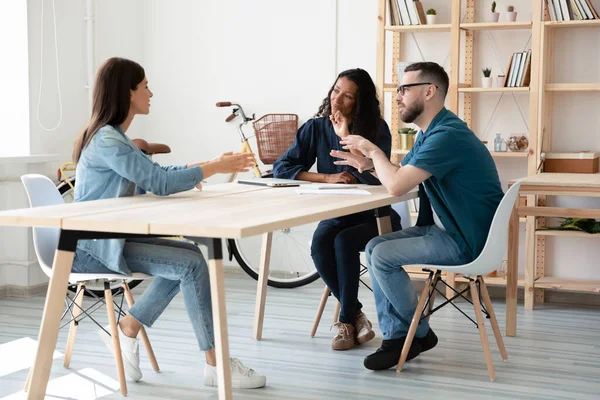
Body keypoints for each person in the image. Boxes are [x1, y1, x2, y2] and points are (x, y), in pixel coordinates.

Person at [71, 57, 266, 388]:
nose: (151, 93)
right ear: (127, 92)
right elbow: (158, 183)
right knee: (190, 263)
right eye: (145, 86)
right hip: (94, 246)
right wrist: (212, 169)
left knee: (189, 258)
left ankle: (129, 329)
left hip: (110, 239)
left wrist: (210, 164)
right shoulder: (107, 140)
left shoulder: (113, 136)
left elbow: (154, 176)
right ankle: (215, 364)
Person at [331, 61, 504, 370]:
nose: (397, 96)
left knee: (381, 255)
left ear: (428, 91)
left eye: (404, 89)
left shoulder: (447, 136)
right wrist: (369, 165)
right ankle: (405, 336)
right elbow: (401, 174)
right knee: (374, 247)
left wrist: (374, 152)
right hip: (450, 229)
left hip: (464, 239)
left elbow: (396, 186)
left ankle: (411, 335)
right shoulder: (432, 133)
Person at [273, 68, 401, 351]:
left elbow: (377, 176)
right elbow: (282, 168)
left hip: (377, 218)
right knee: (320, 244)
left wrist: (345, 134)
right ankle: (355, 314)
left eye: (347, 96)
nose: (337, 100)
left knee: (343, 242)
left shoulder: (377, 130)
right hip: (338, 215)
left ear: (360, 101)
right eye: (335, 91)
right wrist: (326, 177)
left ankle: (344, 323)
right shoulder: (315, 128)